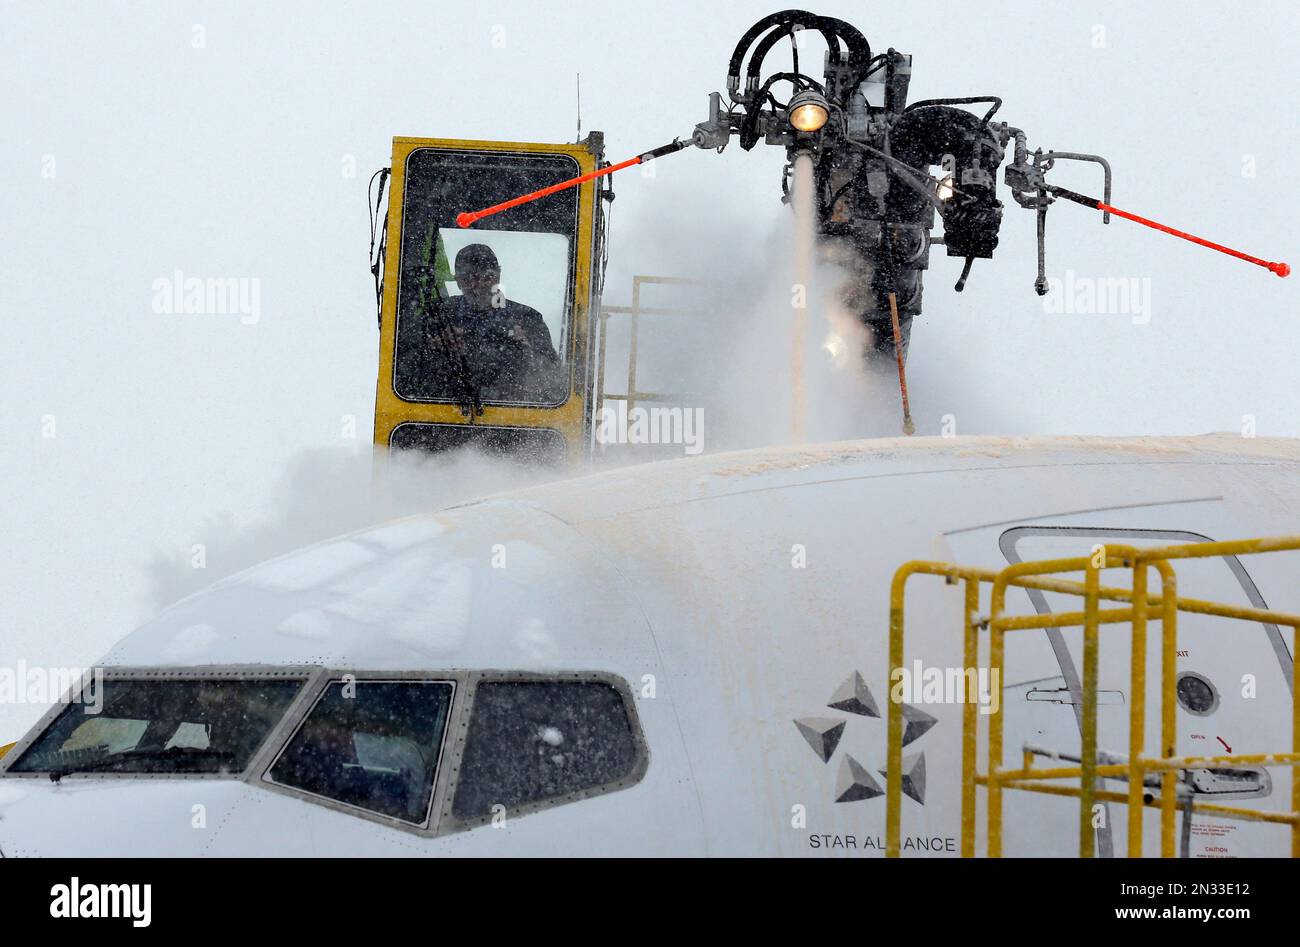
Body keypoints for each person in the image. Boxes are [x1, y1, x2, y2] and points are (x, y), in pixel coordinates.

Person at [413, 243, 565, 404]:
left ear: (498, 277)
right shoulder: (438, 314)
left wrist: (527, 348)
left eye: (486, 277)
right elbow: (405, 367)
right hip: (440, 413)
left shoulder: (528, 318)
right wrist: (434, 345)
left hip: (512, 414)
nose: (477, 286)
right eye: (468, 279)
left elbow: (553, 379)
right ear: (457, 281)